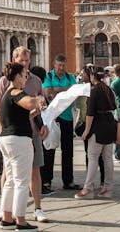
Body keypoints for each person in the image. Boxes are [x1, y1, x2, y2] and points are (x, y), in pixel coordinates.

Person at [0, 46, 48, 224]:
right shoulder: (15, 91)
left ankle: (7, 218)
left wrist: (39, 116)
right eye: (23, 75)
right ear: (17, 76)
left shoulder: (11, 93)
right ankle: (21, 220)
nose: (26, 77)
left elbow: (25, 113)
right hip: (18, 139)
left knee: (11, 180)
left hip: (9, 138)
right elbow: (30, 102)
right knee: (21, 181)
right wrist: (39, 102)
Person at [75, 67, 117, 200]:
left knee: (92, 157)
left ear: (93, 77)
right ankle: (108, 188)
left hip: (98, 126)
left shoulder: (94, 92)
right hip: (110, 124)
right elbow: (115, 106)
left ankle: (88, 188)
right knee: (108, 158)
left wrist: (86, 131)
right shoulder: (108, 90)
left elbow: (90, 113)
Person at [42, 54, 78, 192]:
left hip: (68, 117)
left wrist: (57, 91)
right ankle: (47, 181)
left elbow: (75, 93)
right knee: (49, 149)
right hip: (53, 118)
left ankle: (68, 181)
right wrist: (66, 90)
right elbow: (47, 92)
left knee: (68, 151)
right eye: (59, 65)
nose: (61, 68)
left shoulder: (70, 77)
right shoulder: (48, 76)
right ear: (54, 64)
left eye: (63, 65)